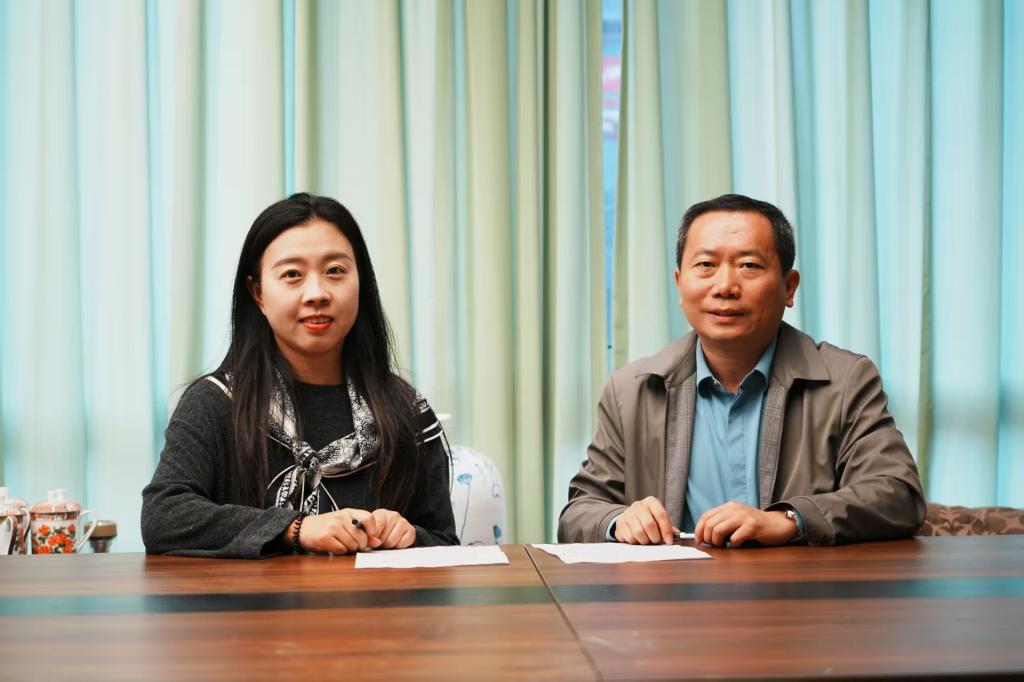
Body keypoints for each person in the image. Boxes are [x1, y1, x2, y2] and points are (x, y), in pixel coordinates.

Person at [558, 193, 925, 547]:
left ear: (789, 287)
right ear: (680, 284)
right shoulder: (631, 390)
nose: (725, 286)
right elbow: (579, 512)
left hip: (798, 586)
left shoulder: (845, 380)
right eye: (706, 265)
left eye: (749, 265)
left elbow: (898, 494)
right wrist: (620, 519)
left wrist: (790, 520)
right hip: (674, 588)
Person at [142, 193, 458, 557]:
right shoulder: (217, 401)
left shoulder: (406, 411)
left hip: (371, 598)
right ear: (258, 293)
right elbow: (163, 516)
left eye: (335, 271)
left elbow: (446, 544)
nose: (317, 293)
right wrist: (296, 528)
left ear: (361, 282)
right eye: (292, 275)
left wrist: (407, 536)